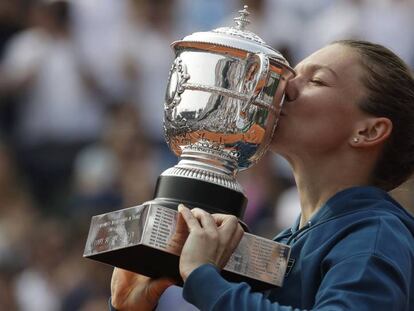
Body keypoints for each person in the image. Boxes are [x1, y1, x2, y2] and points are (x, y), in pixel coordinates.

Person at [109, 40, 414, 310]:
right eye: (292, 75)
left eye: (318, 81)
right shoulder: (288, 241)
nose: (285, 87)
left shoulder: (376, 235)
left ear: (369, 130)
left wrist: (205, 279)